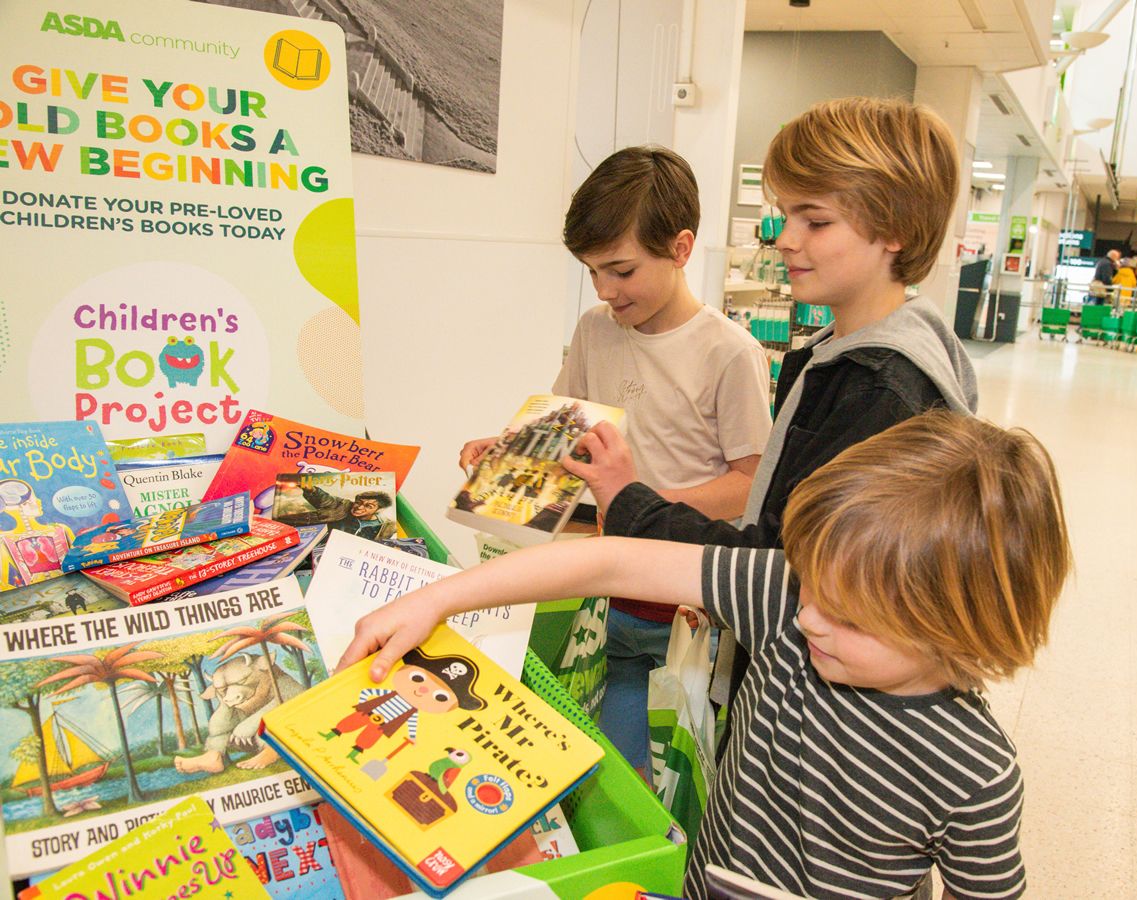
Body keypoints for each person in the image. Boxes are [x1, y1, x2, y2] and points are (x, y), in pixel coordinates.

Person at [340, 411, 1073, 900]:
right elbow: (613, 564)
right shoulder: (788, 596)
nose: (809, 615)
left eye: (845, 616)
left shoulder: (975, 772)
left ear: (958, 629)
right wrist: (438, 599)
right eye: (808, 582)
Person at [562, 98, 977, 720]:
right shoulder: (840, 356)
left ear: (895, 227)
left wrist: (629, 500)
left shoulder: (881, 389)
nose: (785, 240)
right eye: (785, 216)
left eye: (815, 221)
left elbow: (779, 568)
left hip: (821, 708)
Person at [458, 146, 772, 773]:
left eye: (622, 271)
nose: (605, 290)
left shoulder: (728, 352)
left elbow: (749, 484)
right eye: (592, 271)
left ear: (681, 249)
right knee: (594, 754)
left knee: (669, 772)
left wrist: (634, 501)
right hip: (598, 594)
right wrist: (508, 452)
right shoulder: (596, 330)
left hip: (684, 606)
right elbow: (566, 430)